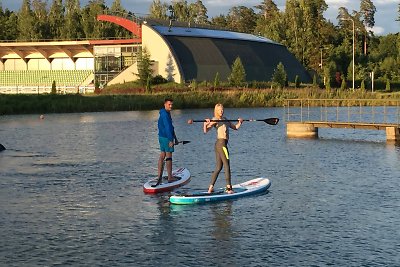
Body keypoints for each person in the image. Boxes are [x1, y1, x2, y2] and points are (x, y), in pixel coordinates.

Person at [203, 103, 243, 194]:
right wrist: (205, 124)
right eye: (219, 110)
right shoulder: (215, 119)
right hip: (221, 144)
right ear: (216, 111)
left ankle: (210, 188)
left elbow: (235, 127)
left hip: (221, 144)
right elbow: (206, 131)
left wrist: (240, 122)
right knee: (227, 165)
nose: (221, 111)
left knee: (219, 167)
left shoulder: (225, 119)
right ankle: (229, 188)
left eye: (222, 109)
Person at [154, 98, 179, 186]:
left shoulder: (165, 113)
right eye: (169, 104)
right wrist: (170, 140)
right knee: (168, 156)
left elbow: (171, 127)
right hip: (166, 137)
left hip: (162, 137)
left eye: (172, 104)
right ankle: (170, 177)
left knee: (162, 154)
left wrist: (175, 138)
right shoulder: (165, 114)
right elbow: (168, 128)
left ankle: (159, 176)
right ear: (165, 104)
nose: (171, 106)